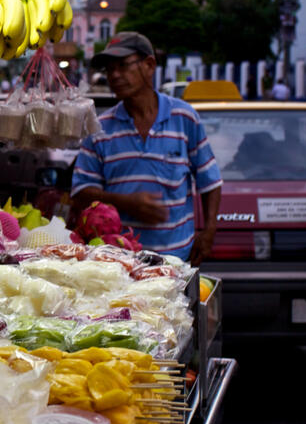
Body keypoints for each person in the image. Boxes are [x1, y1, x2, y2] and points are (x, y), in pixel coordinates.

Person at [71, 31, 223, 264]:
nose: (114, 75)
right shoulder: (99, 129)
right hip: (120, 264)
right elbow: (81, 193)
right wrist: (127, 202)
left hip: (177, 260)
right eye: (109, 69)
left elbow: (209, 180)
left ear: (149, 65)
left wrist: (209, 230)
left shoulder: (184, 117)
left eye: (122, 65)